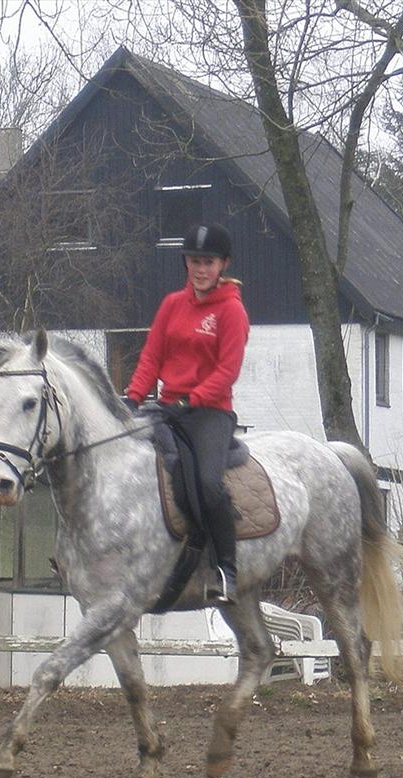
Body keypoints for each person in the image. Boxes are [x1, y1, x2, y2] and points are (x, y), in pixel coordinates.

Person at [125, 222, 250, 604]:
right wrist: (132, 398)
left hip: (210, 413)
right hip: (167, 408)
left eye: (208, 262)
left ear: (223, 264)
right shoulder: (171, 305)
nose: (200, 269)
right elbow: (152, 357)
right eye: (194, 261)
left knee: (209, 484)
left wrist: (192, 399)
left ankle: (225, 569)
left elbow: (228, 370)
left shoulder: (231, 311)